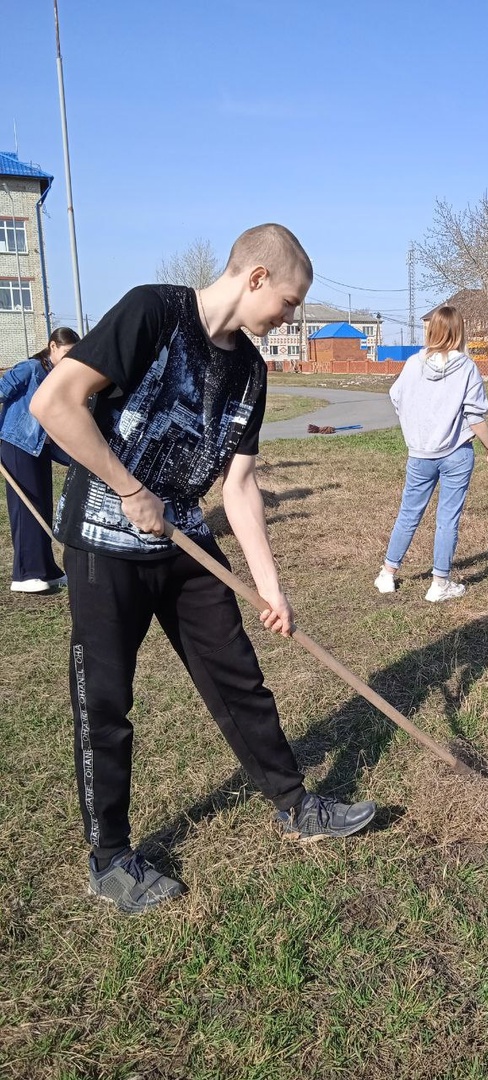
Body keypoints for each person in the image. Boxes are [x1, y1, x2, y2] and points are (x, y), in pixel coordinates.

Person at [30, 224, 376, 915]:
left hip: (183, 536)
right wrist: (129, 489)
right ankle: (110, 859)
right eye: (288, 301)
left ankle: (294, 804)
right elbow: (55, 405)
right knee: (106, 701)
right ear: (254, 278)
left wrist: (270, 587)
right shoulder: (152, 313)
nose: (290, 316)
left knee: (238, 675)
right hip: (104, 538)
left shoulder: (251, 369)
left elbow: (239, 485)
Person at [374, 305, 488, 602]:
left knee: (409, 513)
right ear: (459, 332)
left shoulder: (412, 364)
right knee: (448, 518)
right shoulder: (467, 367)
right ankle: (439, 583)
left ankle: (387, 574)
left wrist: (416, 427)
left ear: (431, 331)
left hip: (420, 454)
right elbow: (475, 416)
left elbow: (396, 397)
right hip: (457, 453)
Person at [0, 327, 80, 593]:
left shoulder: (54, 374)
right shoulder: (31, 368)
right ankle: (25, 574)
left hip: (38, 447)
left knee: (43, 505)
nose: (69, 358)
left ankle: (47, 569)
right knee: (25, 507)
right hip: (17, 444)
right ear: (52, 347)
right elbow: (2, 389)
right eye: (66, 352)